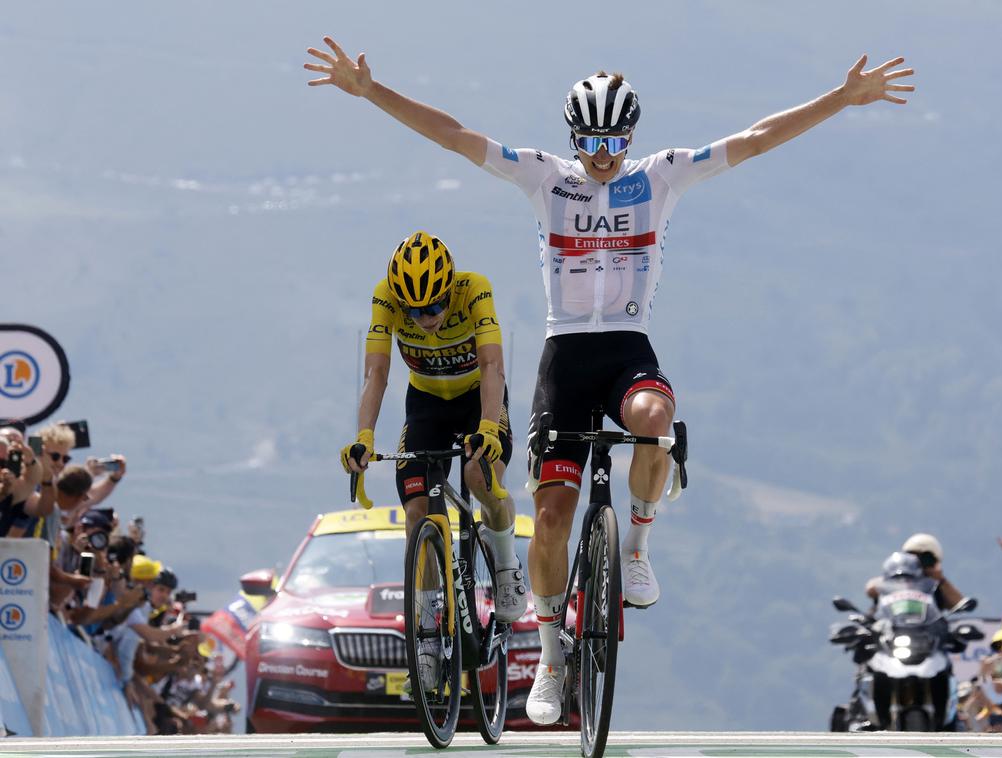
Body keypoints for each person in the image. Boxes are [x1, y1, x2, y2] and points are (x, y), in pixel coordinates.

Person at [307, 37, 914, 723]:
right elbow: (454, 137)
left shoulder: (661, 177)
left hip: (627, 350)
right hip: (564, 358)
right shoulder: (545, 178)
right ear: (574, 136)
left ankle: (639, 546)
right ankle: (551, 657)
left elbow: (754, 140)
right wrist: (371, 91)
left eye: (615, 139)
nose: (603, 153)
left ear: (631, 134)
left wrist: (840, 98)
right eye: (592, 139)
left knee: (655, 422)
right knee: (554, 519)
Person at [339, 232, 525, 628]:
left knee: (480, 477)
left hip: (479, 398)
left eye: (437, 305)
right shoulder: (384, 298)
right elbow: (376, 373)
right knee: (416, 512)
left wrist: (490, 427)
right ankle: (424, 634)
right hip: (426, 405)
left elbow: (492, 365)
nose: (427, 319)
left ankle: (507, 565)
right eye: (415, 312)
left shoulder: (474, 289)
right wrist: (364, 438)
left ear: (450, 288)